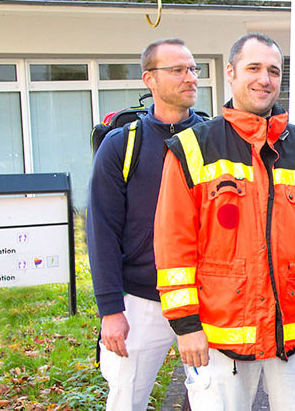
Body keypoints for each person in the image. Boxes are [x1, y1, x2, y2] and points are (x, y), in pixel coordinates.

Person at [152, 33, 295, 410]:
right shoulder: (192, 148)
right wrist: (186, 326)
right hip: (218, 336)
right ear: (231, 73)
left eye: (274, 71)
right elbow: (173, 246)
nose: (265, 78)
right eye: (254, 68)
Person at [87, 38, 206, 411]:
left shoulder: (213, 139)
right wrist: (110, 310)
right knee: (126, 398)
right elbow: (101, 230)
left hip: (204, 298)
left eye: (192, 69)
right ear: (149, 79)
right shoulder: (121, 145)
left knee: (212, 399)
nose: (189, 78)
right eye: (177, 70)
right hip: (141, 299)